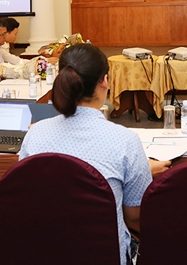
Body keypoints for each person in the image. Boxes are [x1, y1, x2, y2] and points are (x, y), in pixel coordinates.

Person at [19, 44, 169, 264]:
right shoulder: (125, 141)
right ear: (104, 81)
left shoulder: (35, 134)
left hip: (44, 253)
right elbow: (135, 216)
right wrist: (143, 169)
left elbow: (26, 196)